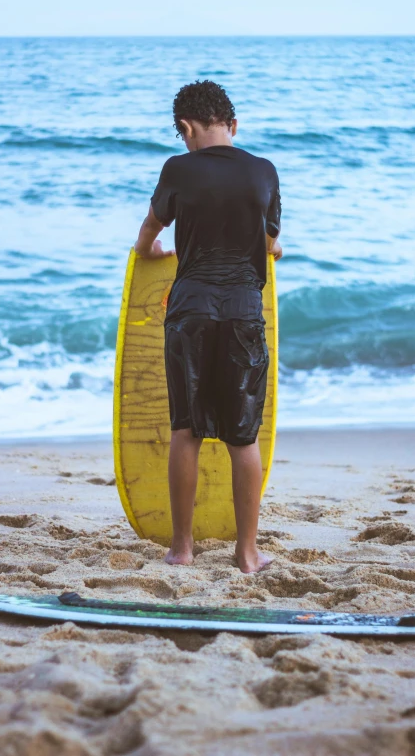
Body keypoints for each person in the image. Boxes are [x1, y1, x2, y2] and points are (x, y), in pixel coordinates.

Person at [134, 80, 282, 574]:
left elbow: (150, 233)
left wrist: (151, 254)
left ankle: (181, 548)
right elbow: (270, 242)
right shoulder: (263, 171)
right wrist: (272, 250)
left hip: (190, 312)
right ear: (232, 125)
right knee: (243, 438)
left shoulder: (179, 169)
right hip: (243, 312)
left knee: (186, 430)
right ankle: (247, 551)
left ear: (186, 127)